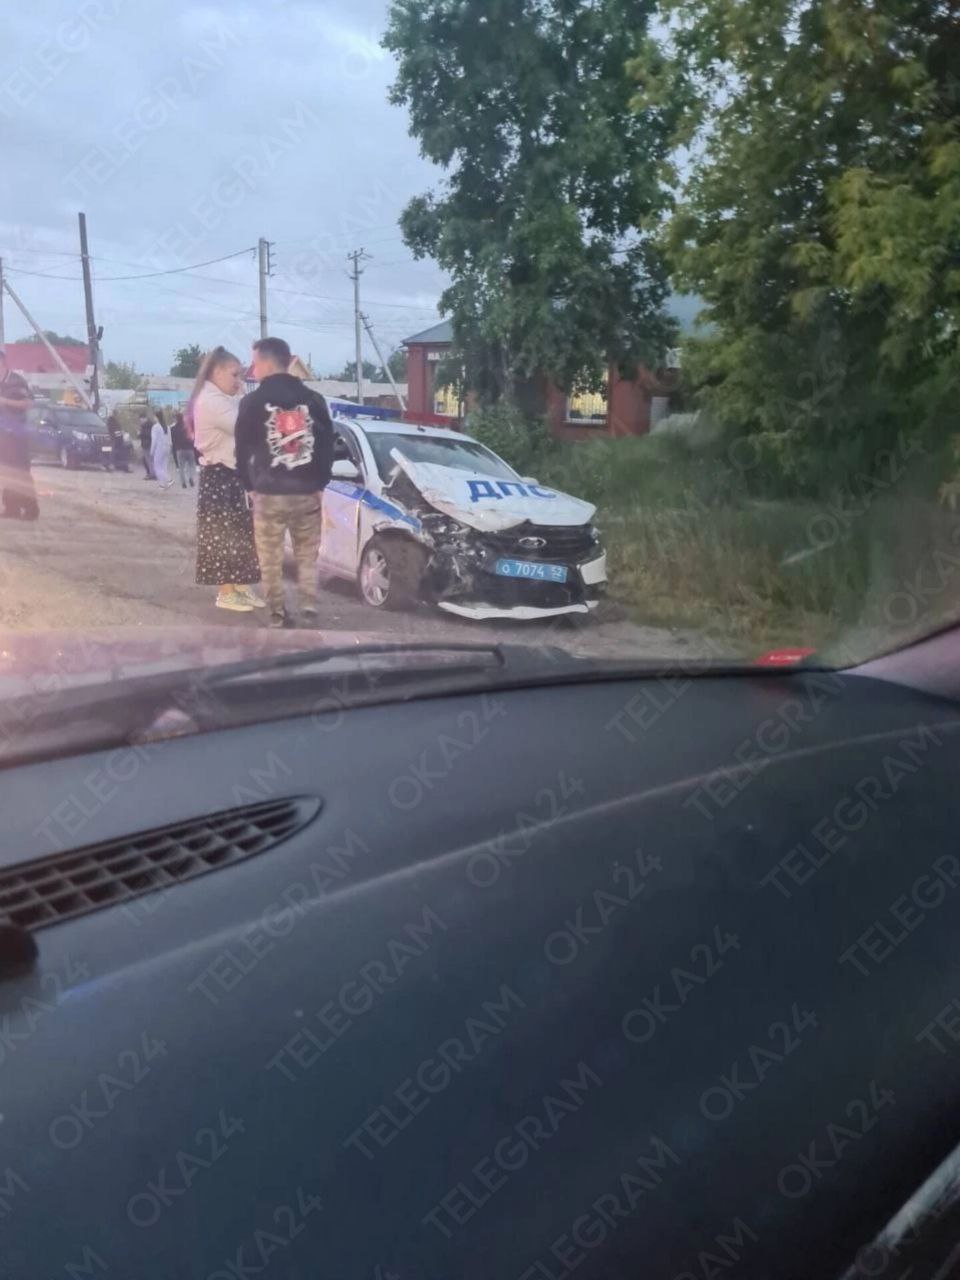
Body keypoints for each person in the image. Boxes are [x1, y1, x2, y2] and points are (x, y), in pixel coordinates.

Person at [235, 336, 333, 628]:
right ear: (289, 361)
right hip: (306, 492)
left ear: (265, 362)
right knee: (306, 556)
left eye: (254, 362)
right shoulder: (314, 400)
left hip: (268, 492)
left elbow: (241, 449)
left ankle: (277, 615)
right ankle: (308, 607)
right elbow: (328, 445)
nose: (253, 369)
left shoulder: (251, 402)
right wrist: (320, 483)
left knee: (270, 559)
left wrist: (249, 485)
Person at [192, 346, 263, 613]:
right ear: (216, 372)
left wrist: (241, 393)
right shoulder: (210, 401)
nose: (239, 381)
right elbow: (246, 427)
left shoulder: (225, 396)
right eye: (234, 375)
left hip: (234, 474)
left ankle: (241, 586)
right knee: (221, 534)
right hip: (219, 475)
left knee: (241, 533)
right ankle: (225, 591)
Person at [0, 349, 38, 520]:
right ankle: (11, 508)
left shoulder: (16, 381)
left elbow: (27, 403)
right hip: (2, 435)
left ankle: (31, 510)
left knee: (21, 472)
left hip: (17, 435)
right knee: (7, 472)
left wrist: (5, 401)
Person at [170, 412, 196, 489]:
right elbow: (192, 438)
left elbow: (173, 441)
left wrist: (174, 451)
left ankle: (183, 483)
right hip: (189, 449)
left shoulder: (173, 429)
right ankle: (190, 477)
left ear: (176, 419)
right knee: (191, 465)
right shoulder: (188, 428)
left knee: (181, 467)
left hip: (179, 450)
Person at [150, 409, 173, 488]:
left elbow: (154, 440)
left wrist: (152, 451)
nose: (153, 418)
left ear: (157, 417)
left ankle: (168, 480)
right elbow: (170, 439)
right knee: (164, 466)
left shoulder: (155, 427)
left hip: (159, 448)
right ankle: (164, 484)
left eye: (154, 416)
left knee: (157, 467)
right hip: (167, 447)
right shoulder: (167, 426)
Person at [139, 415, 155, 480]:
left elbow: (147, 434)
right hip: (149, 444)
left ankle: (152, 474)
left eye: (141, 420)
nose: (140, 421)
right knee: (148, 460)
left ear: (144, 418)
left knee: (148, 460)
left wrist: (140, 434)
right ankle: (151, 473)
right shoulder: (150, 425)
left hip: (147, 444)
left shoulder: (146, 426)